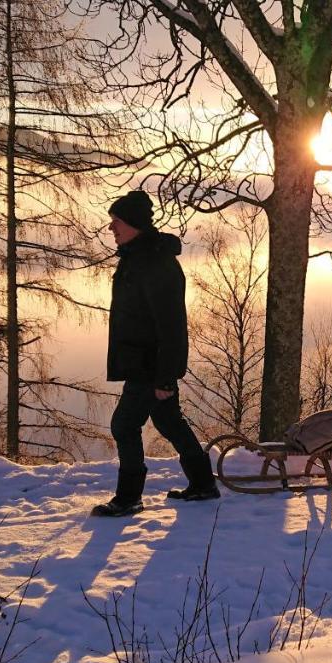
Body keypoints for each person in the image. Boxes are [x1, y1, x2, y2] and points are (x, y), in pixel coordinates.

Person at [92, 190, 218, 517]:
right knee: (168, 420)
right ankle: (203, 484)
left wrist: (166, 375)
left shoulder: (155, 263)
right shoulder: (138, 257)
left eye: (116, 221)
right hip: (143, 362)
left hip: (150, 366)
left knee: (124, 426)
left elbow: (172, 326)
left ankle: (128, 497)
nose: (111, 228)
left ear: (133, 223)